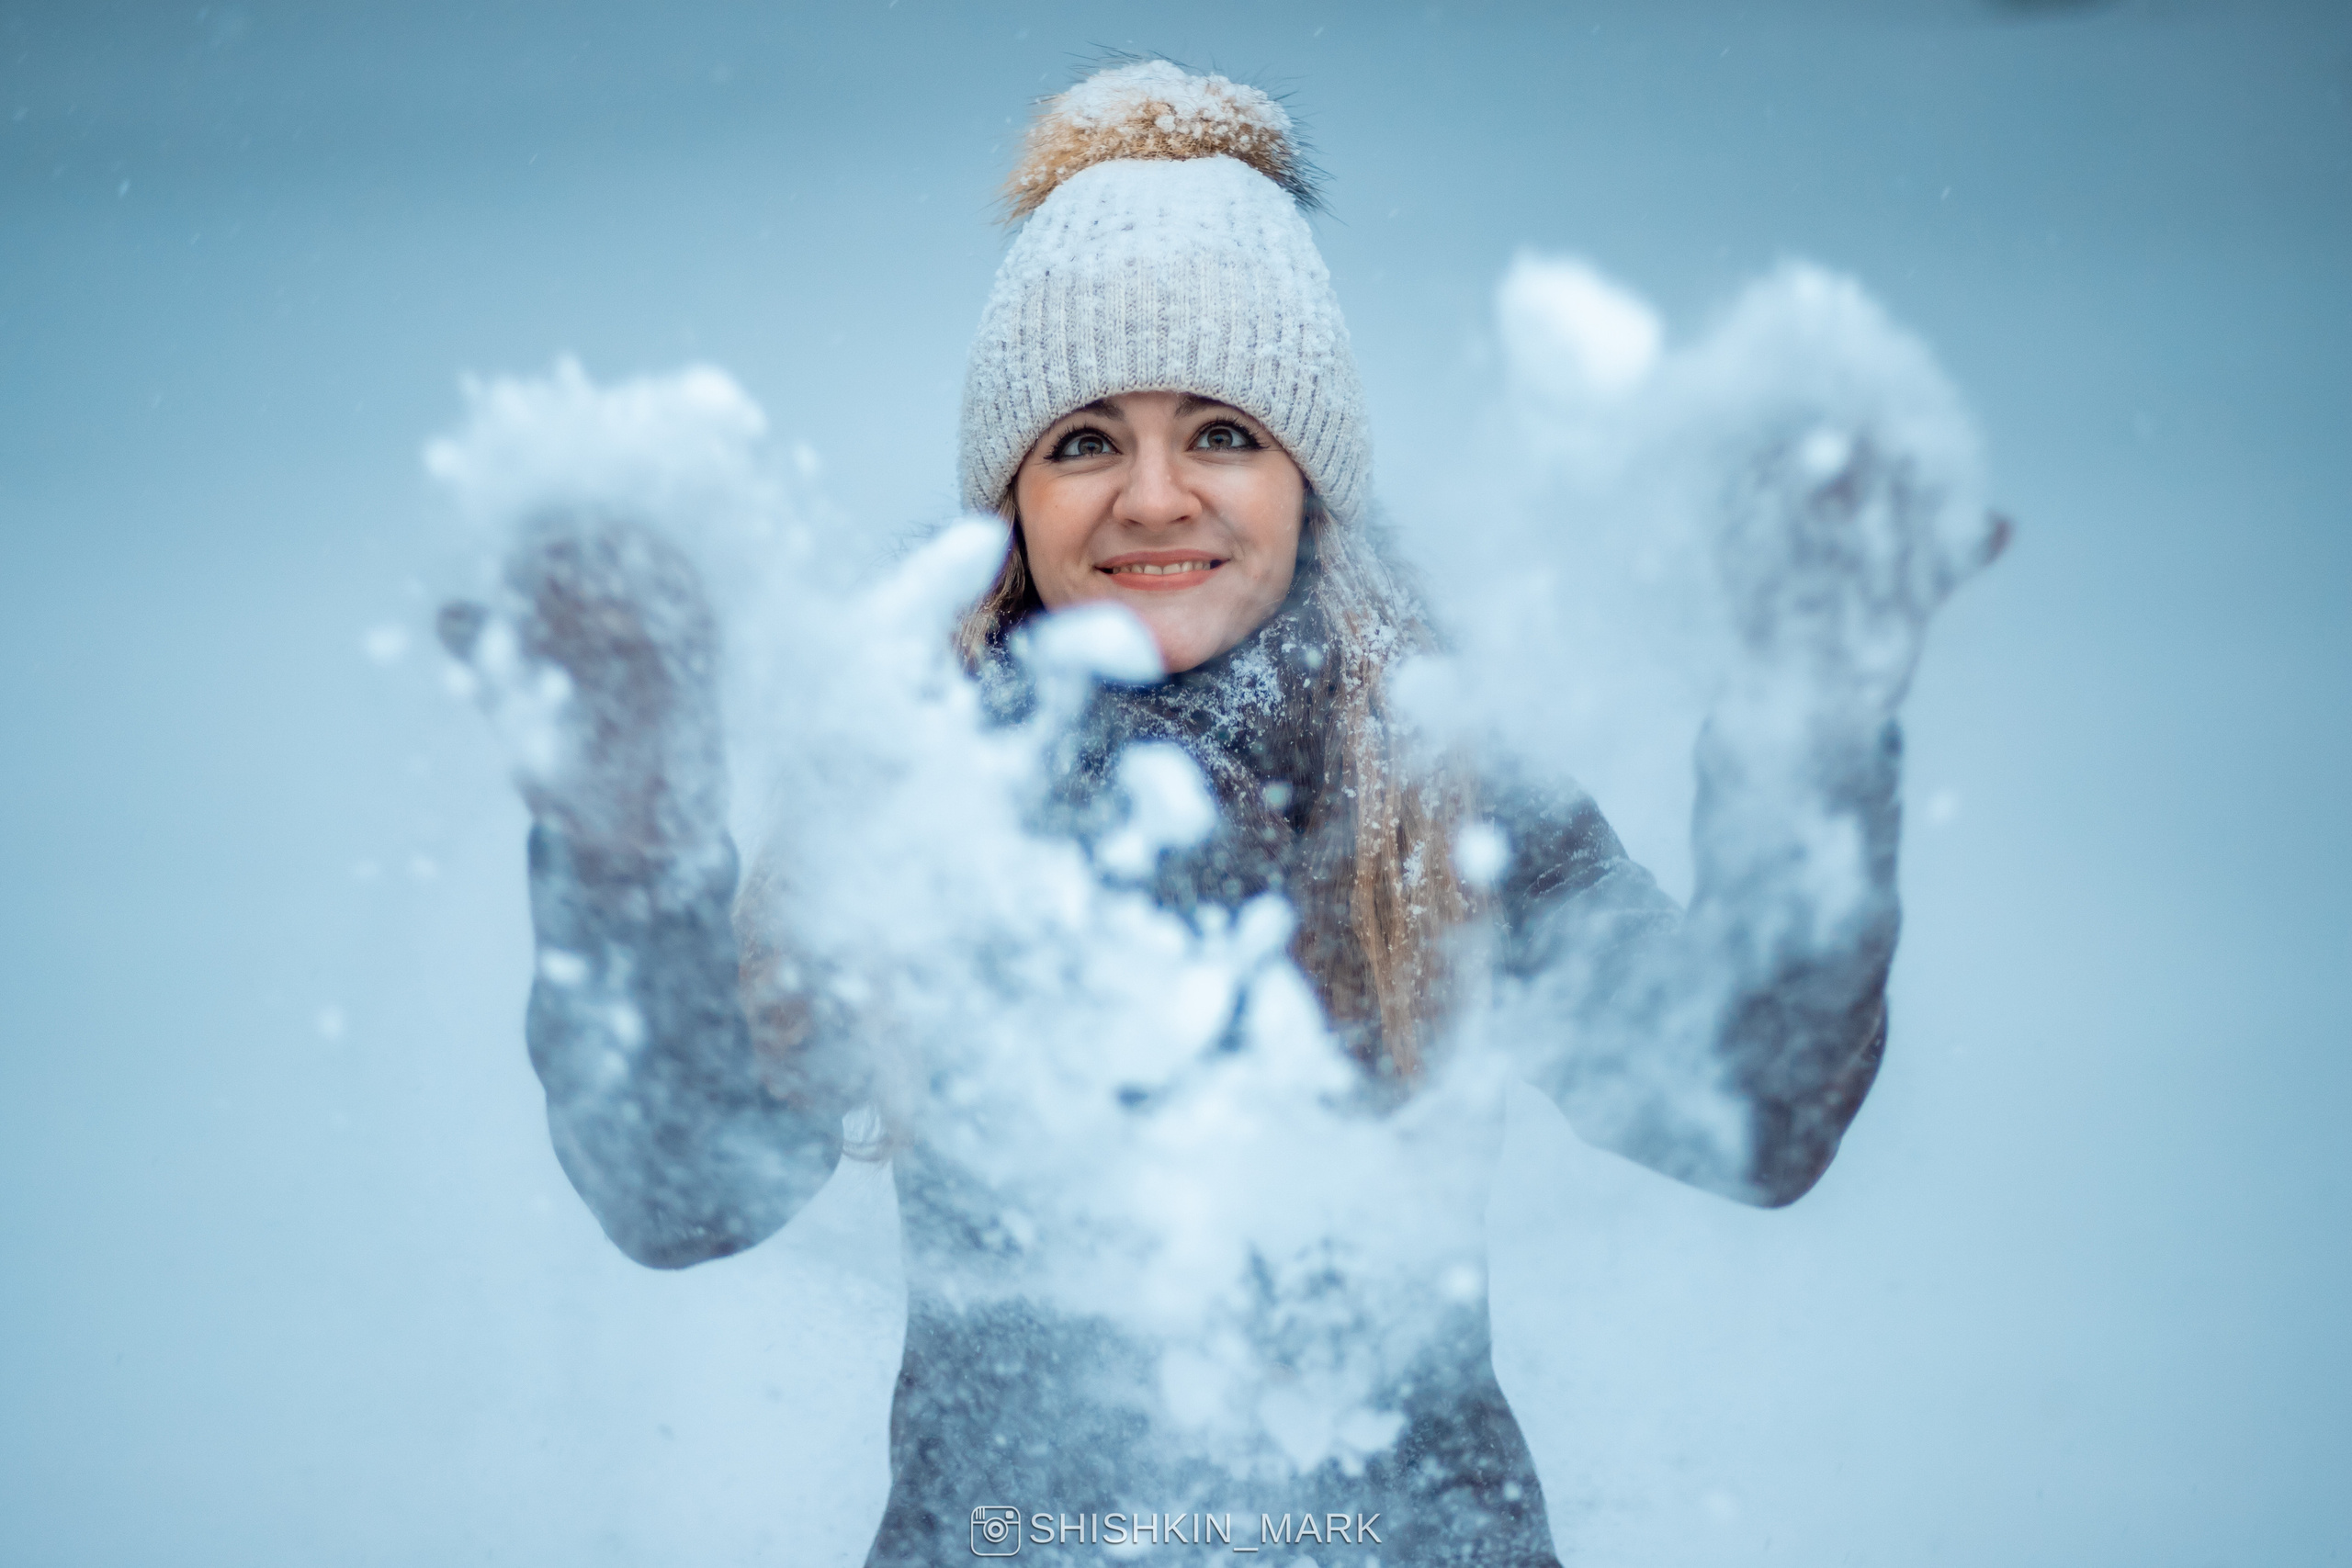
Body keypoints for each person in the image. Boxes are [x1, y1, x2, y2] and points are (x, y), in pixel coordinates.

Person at [439, 60, 2004, 1568]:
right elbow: (686, 1190)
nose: (1155, 497)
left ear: (1310, 479)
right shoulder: (917, 785)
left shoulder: (1442, 773)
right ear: (1012, 501)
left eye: (1225, 434)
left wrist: (1812, 724)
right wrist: (624, 830)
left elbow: (1749, 1106)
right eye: (1083, 442)